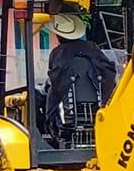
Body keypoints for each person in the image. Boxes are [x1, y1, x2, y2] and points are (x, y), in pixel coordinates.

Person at [42, 10, 121, 146]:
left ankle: (51, 136)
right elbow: (108, 74)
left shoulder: (57, 53)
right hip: (100, 117)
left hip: (67, 120)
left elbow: (56, 81)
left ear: (59, 34)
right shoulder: (93, 49)